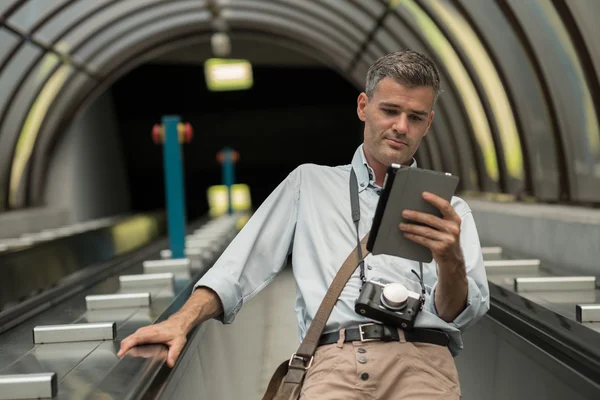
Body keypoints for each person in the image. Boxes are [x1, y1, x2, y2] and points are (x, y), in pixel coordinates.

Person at [118, 50, 490, 399]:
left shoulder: (449, 210)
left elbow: (459, 311)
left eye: (415, 117)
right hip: (336, 362)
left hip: (424, 364)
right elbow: (237, 268)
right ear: (363, 107)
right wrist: (181, 321)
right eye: (390, 111)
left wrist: (451, 259)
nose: (400, 127)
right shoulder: (308, 184)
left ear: (429, 123)